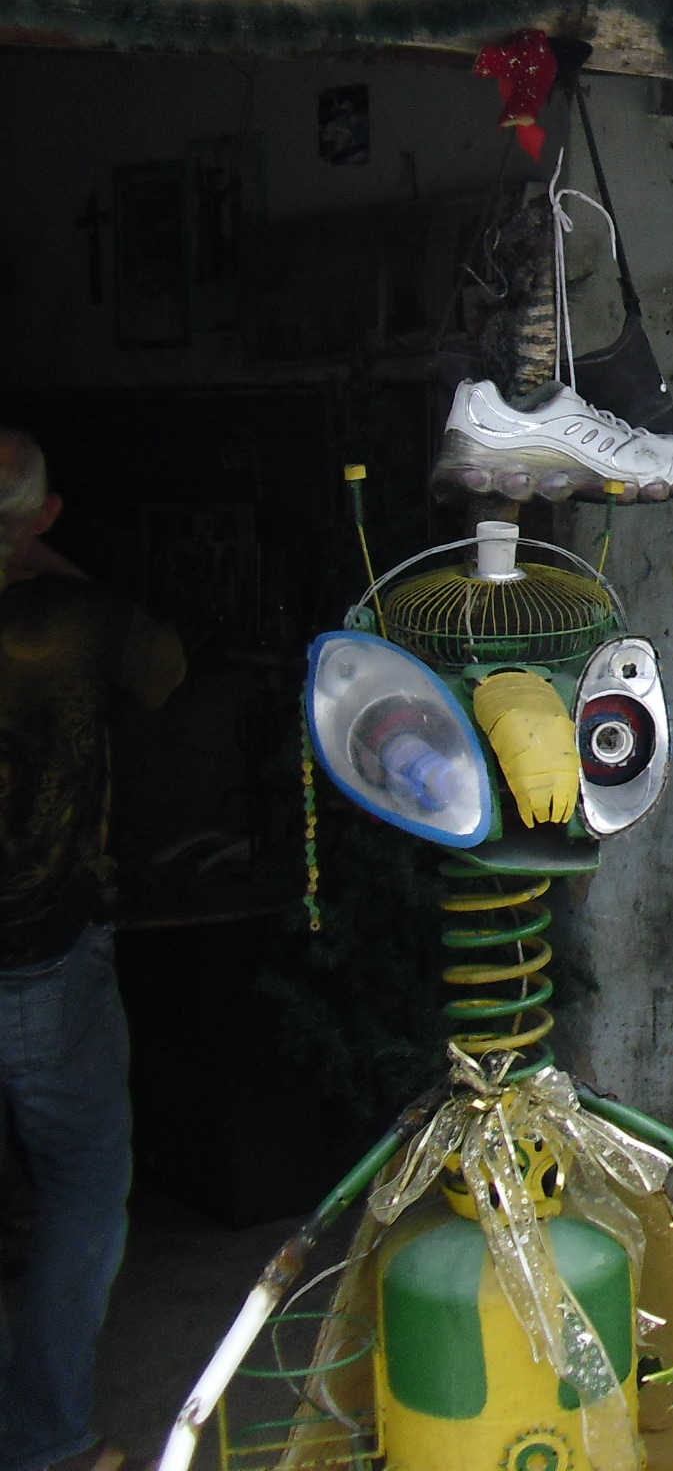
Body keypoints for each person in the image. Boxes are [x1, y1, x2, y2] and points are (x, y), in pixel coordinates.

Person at [0, 429, 186, 1471]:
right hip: (41, 953)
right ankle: (47, 1439)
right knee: (80, 1182)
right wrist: (40, 551)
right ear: (46, 515)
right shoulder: (77, 619)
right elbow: (164, 668)